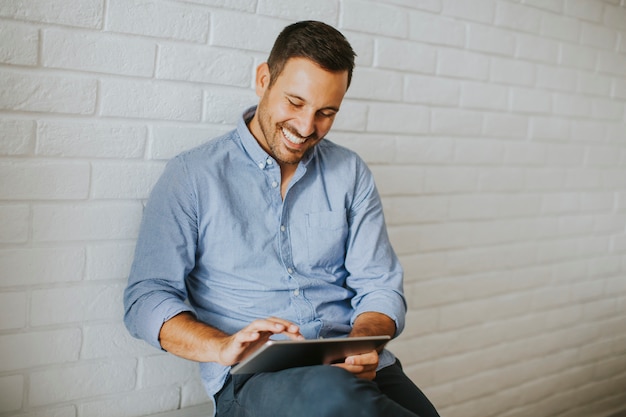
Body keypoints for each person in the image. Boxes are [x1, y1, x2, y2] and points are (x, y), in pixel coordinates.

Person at [124, 20, 440, 417]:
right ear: (263, 79)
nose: (307, 128)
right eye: (295, 103)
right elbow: (145, 300)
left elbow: (379, 284)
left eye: (326, 113)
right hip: (257, 381)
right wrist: (222, 346)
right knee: (335, 398)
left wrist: (363, 342)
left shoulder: (350, 172)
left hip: (355, 371)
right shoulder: (192, 176)